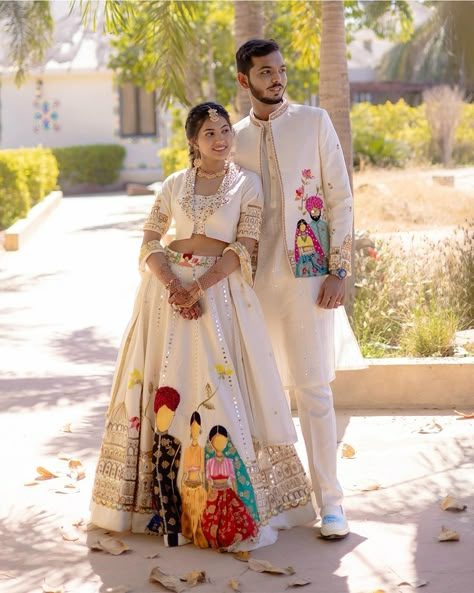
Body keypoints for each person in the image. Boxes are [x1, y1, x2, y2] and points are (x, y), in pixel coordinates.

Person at [90, 101, 316, 552]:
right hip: (164, 298)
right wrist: (175, 284)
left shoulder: (247, 185)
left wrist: (200, 288)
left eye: (225, 131)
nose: (221, 140)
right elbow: (151, 239)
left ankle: (222, 509)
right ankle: (156, 509)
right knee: (165, 387)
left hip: (220, 296)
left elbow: (244, 247)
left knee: (219, 388)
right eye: (210, 133)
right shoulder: (174, 184)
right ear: (193, 141)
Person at [233, 39, 365, 539]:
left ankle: (331, 504)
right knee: (258, 393)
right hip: (251, 285)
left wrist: (339, 269)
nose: (277, 79)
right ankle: (273, 501)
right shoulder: (235, 138)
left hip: (310, 277)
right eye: (266, 73)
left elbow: (340, 198)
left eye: (281, 71)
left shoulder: (314, 122)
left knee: (313, 389)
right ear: (245, 81)